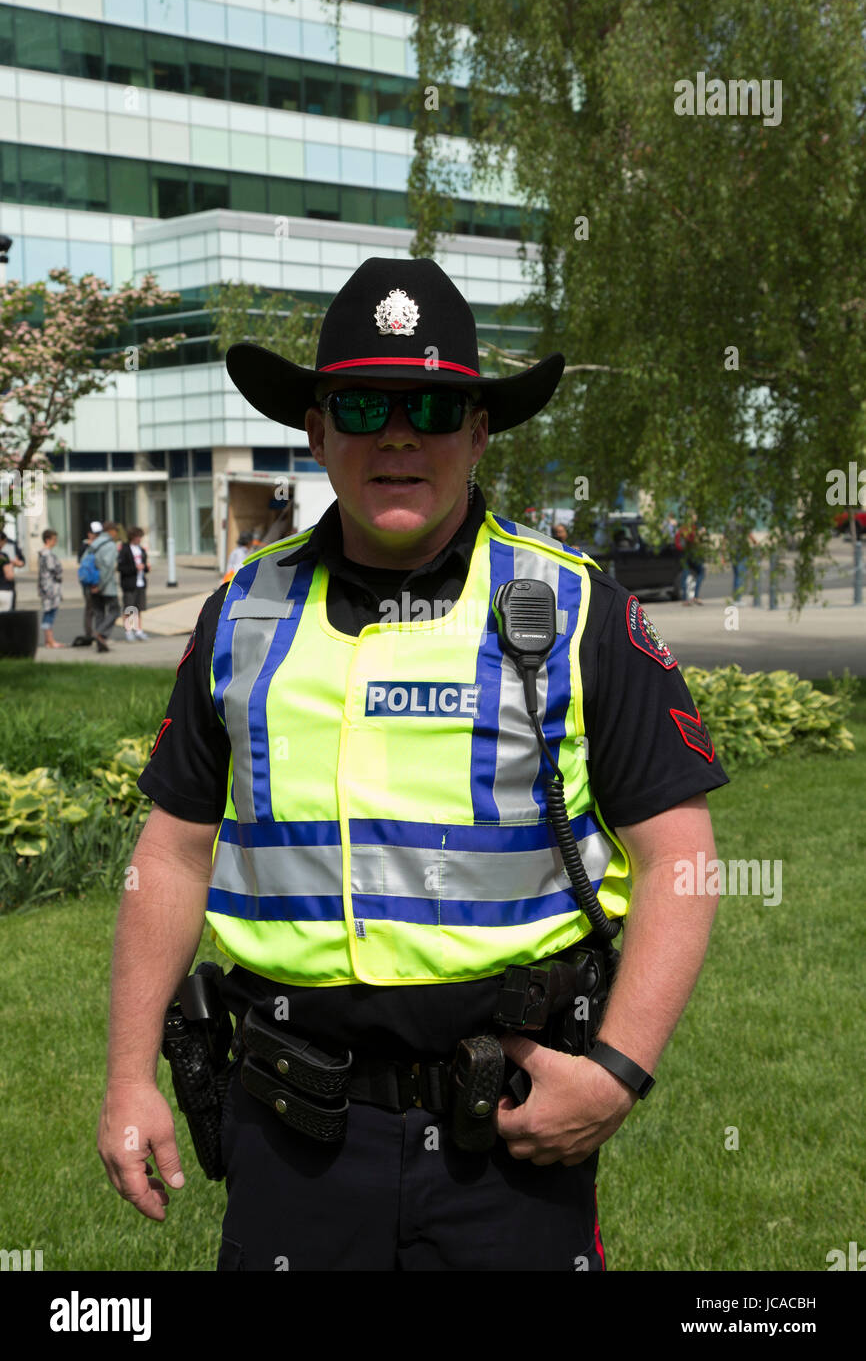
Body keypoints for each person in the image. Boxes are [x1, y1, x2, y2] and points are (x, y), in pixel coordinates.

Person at [99, 257, 730, 1272]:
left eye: (434, 407)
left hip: (508, 1142)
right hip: (286, 1141)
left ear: (477, 433)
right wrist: (130, 1075)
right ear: (316, 429)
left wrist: (616, 1071)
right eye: (362, 402)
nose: (399, 434)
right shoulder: (240, 615)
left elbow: (680, 858)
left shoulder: (577, 611)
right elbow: (172, 852)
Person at [89, 521, 121, 653]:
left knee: (99, 613)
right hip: (106, 586)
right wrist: (100, 585)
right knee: (115, 610)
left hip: (92, 583)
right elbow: (108, 568)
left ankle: (100, 643)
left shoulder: (94, 543)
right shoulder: (110, 545)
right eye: (116, 532)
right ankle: (100, 633)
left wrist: (91, 584)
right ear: (111, 531)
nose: (116, 535)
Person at [118, 526, 150, 641]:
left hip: (140, 583)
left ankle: (138, 630)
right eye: (138, 537)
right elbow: (121, 568)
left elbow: (144, 566)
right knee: (129, 608)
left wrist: (145, 567)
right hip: (129, 583)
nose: (140, 539)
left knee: (139, 608)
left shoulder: (141, 550)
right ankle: (128, 631)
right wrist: (135, 568)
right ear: (132, 537)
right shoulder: (125, 550)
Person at [37, 528, 65, 648]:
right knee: (50, 613)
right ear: (48, 540)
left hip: (45, 587)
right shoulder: (48, 554)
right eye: (54, 539)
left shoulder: (42, 553)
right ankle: (50, 640)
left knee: (48, 612)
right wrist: (59, 575)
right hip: (51, 588)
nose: (56, 542)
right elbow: (54, 570)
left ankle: (48, 640)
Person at [0, 527, 24, 609]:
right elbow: (9, 576)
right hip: (4, 589)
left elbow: (22, 562)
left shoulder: (11, 544)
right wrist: (11, 562)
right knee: (6, 618)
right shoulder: (4, 556)